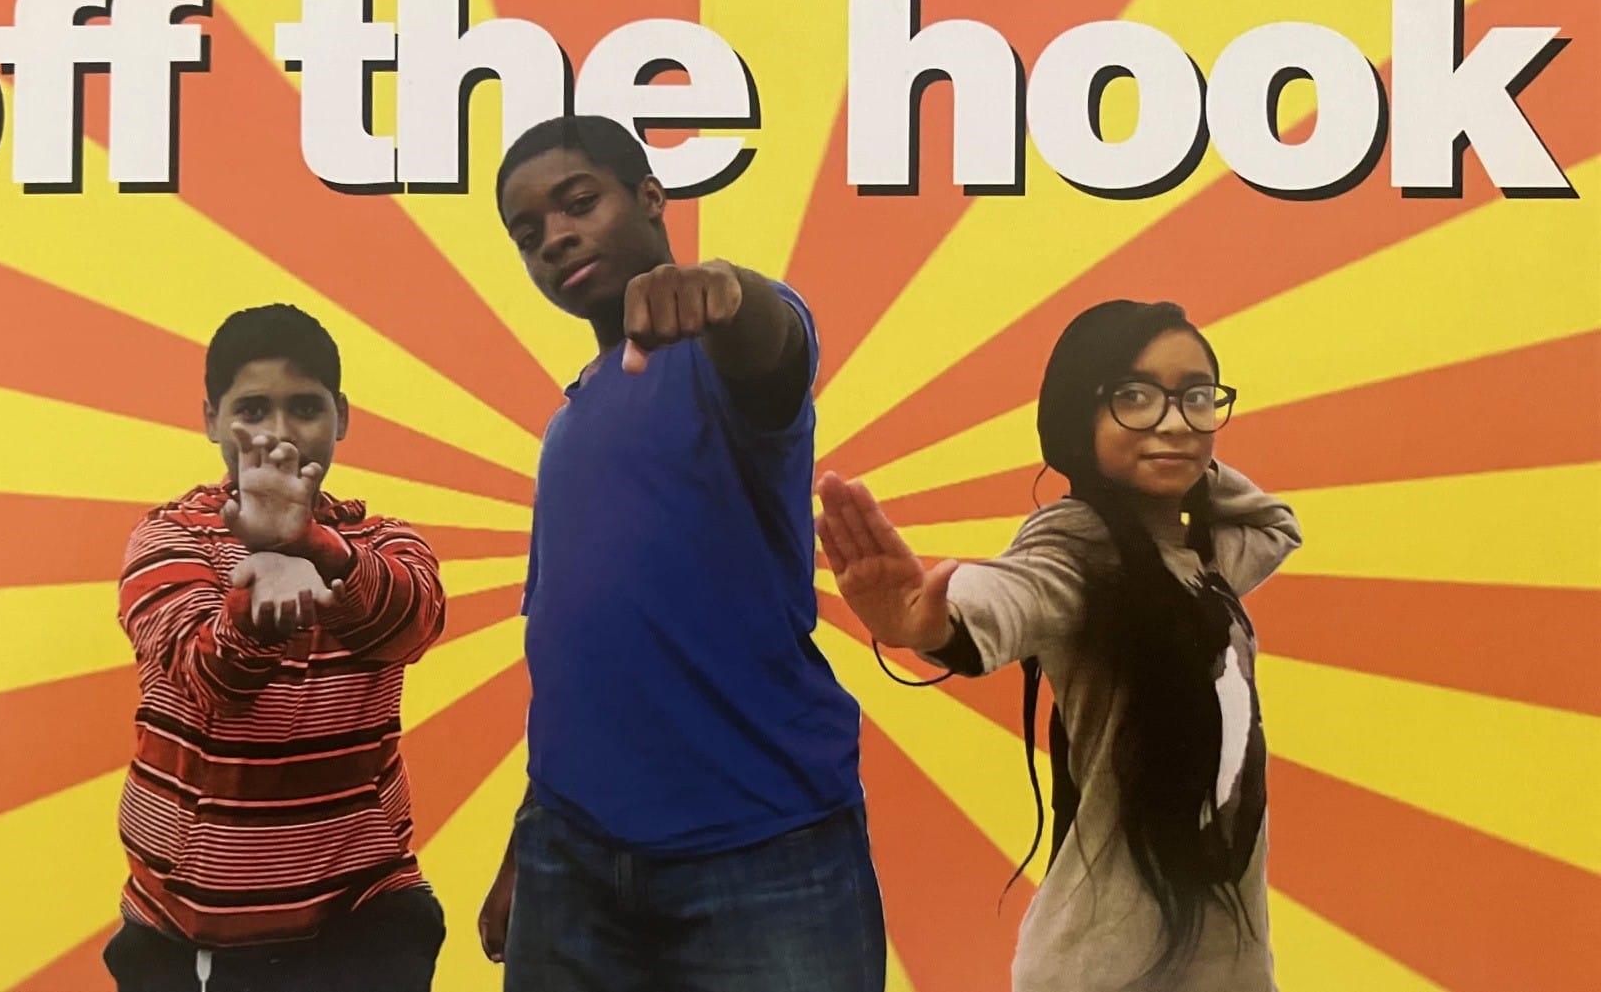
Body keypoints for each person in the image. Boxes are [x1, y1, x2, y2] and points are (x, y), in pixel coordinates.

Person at [477, 115, 886, 992]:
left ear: (652, 198)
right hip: (571, 860)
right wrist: (529, 835)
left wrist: (729, 293)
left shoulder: (714, 355)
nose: (555, 237)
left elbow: (776, 346)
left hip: (762, 856)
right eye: (528, 232)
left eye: (578, 202)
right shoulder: (567, 427)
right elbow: (574, 666)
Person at [817, 299, 1300, 991]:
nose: (1174, 419)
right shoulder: (1076, 544)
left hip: (1230, 968)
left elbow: (1276, 524)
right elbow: (1014, 592)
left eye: (1197, 396)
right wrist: (935, 625)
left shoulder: (1201, 558)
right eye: (1134, 396)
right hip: (1106, 967)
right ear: (1081, 413)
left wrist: (1185, 456)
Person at [103, 304, 449, 992]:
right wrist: (255, 610)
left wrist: (311, 545)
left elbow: (413, 622)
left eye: (305, 408)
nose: (279, 435)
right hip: (180, 940)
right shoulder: (167, 540)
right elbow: (210, 673)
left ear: (342, 416)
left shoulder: (382, 544)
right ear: (210, 419)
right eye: (253, 409)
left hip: (361, 924)